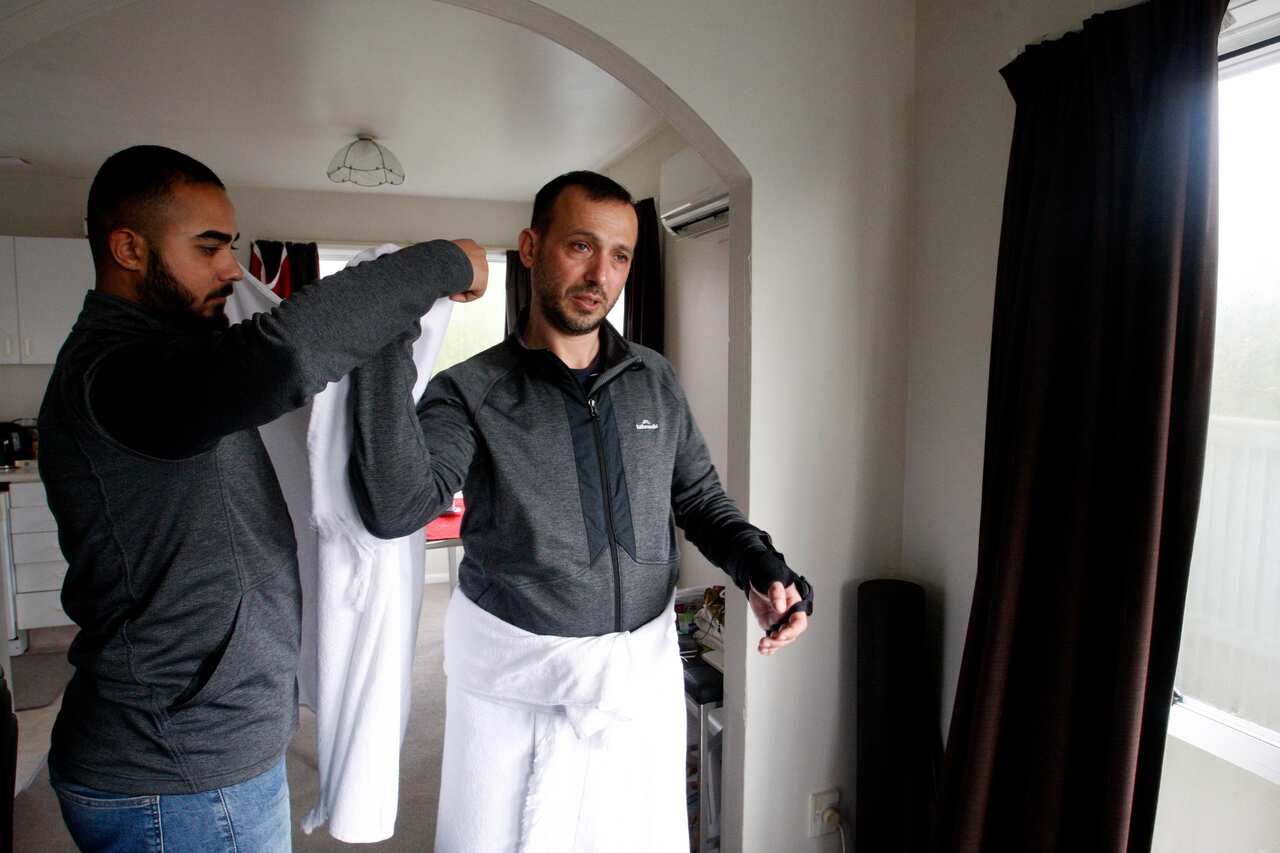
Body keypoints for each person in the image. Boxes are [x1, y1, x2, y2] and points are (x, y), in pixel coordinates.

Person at [37, 145, 487, 852]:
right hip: (177, 775)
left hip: (193, 757)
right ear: (128, 247)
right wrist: (443, 261)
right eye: (209, 247)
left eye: (232, 246)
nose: (230, 267)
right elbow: (288, 351)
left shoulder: (170, 355)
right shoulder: (121, 373)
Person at [348, 170, 812, 851]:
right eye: (580, 246)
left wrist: (764, 568)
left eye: (620, 255)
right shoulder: (469, 390)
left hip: (638, 686)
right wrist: (388, 338)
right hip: (518, 689)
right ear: (532, 247)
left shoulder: (654, 378)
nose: (601, 273)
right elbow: (396, 508)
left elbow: (700, 499)